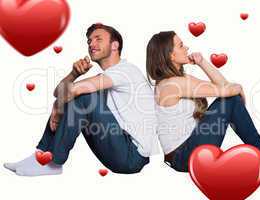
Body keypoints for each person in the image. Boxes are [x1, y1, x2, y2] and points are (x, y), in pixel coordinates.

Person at [4, 23, 159, 176]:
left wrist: (57, 108)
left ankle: (53, 162)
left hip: (131, 155)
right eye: (89, 41)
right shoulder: (108, 77)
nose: (91, 44)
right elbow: (59, 92)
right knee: (78, 95)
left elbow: (71, 92)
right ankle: (40, 157)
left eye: (98, 39)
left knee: (84, 97)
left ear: (114, 45)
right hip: (122, 148)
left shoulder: (125, 71)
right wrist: (74, 74)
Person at [146, 31, 260, 172]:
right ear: (170, 55)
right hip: (182, 156)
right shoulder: (173, 84)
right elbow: (227, 90)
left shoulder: (179, 80)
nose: (187, 48)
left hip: (185, 152)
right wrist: (238, 88)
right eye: (181, 46)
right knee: (229, 100)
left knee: (230, 99)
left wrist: (201, 62)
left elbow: (224, 86)